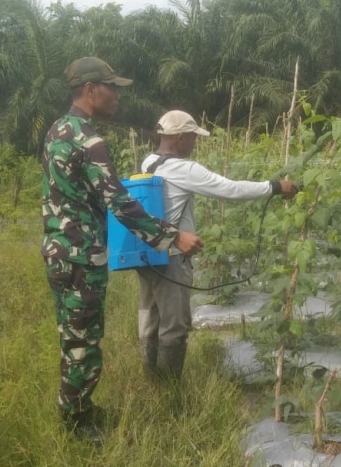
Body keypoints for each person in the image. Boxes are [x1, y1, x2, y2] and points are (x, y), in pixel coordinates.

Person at [41, 58, 204, 444]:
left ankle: (81, 407)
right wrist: (172, 237)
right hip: (79, 256)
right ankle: (77, 426)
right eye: (112, 87)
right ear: (91, 89)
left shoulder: (58, 129)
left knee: (75, 334)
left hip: (60, 250)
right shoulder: (88, 139)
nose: (117, 94)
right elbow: (119, 203)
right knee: (83, 341)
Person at [137, 110, 299, 383]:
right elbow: (230, 189)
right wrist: (273, 187)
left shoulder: (149, 162)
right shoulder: (183, 168)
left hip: (149, 253)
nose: (195, 143)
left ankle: (150, 380)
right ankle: (168, 393)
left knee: (151, 318)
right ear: (179, 137)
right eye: (192, 137)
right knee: (174, 326)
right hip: (173, 257)